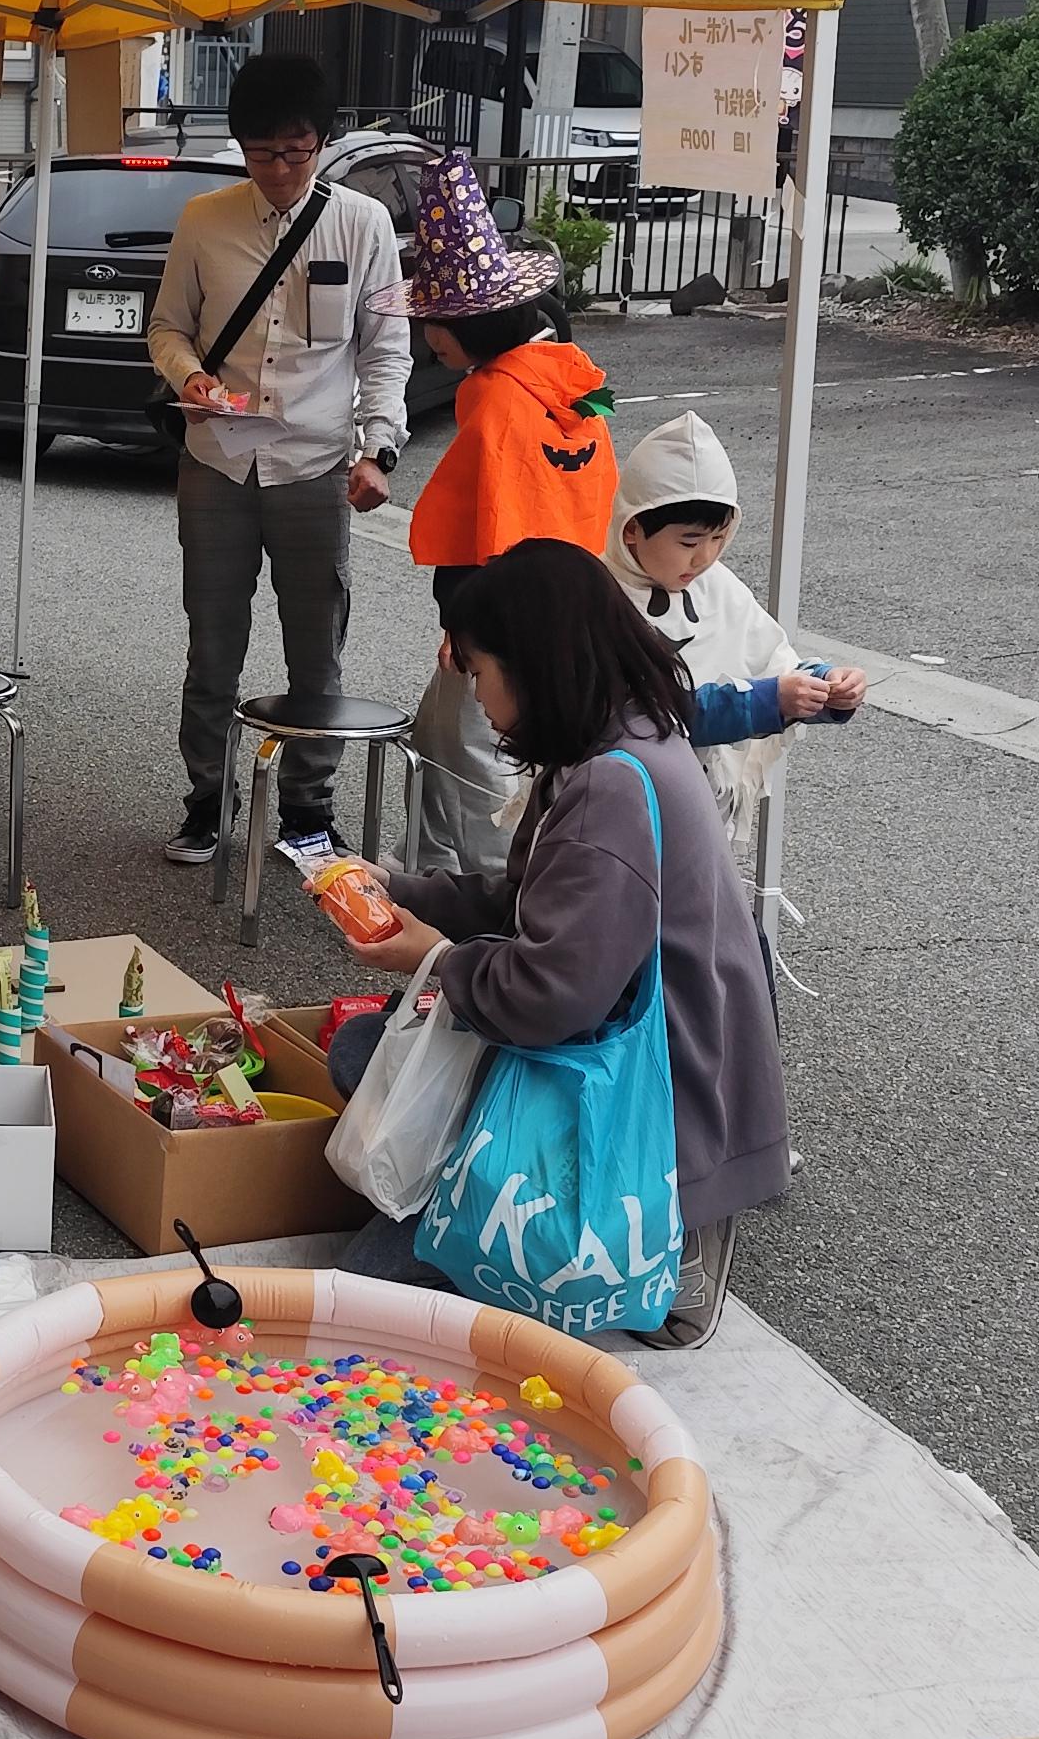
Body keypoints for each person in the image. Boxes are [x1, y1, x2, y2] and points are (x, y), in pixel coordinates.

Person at [329, 541, 787, 1347]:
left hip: (642, 1107)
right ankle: (467, 1213)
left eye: (478, 671)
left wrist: (437, 959)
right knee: (368, 1050)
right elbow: (528, 905)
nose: (475, 695)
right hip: (637, 1062)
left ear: (533, 664)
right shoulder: (625, 735)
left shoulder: (608, 785)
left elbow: (549, 998)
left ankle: (641, 1249)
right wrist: (400, 891)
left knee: (357, 1297)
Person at [146, 51, 409, 870]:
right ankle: (205, 800)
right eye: (264, 153)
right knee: (211, 642)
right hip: (216, 462)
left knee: (316, 651)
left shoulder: (364, 224)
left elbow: (386, 348)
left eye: (298, 151)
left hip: (316, 465)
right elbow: (167, 326)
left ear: (322, 142)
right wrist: (189, 375)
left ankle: (308, 809)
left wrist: (379, 448)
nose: (282, 170)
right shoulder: (204, 218)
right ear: (242, 146)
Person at [390, 152, 619, 874]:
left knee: (474, 759)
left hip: (506, 616)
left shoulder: (495, 400)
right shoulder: (566, 380)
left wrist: (467, 626)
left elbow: (493, 523)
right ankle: (432, 878)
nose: (427, 337)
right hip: (572, 601)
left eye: (434, 322)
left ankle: (493, 897)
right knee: (451, 738)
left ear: (471, 326)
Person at [602, 413, 866, 872]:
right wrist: (767, 701)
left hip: (702, 819)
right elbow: (649, 714)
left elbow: (773, 662)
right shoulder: (596, 596)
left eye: (719, 539)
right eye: (689, 542)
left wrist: (826, 686)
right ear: (632, 528)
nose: (704, 557)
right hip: (615, 822)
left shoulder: (719, 587)